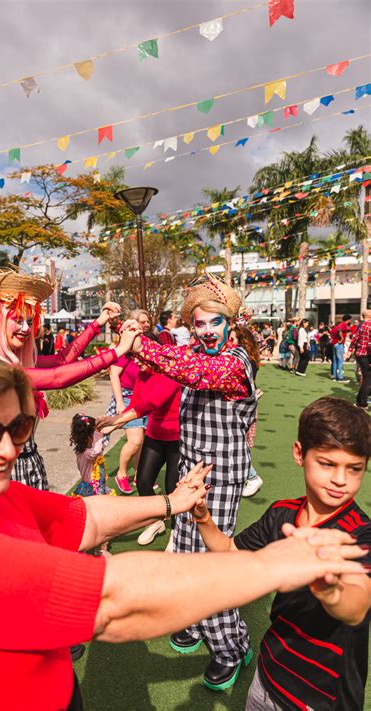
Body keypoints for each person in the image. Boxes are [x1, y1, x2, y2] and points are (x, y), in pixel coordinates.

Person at [0, 352, 367, 711]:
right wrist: (274, 564)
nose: (6, 450)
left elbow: (87, 518)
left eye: (18, 428)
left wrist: (172, 503)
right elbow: (115, 601)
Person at [125, 273, 260, 691]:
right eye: (198, 324)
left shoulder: (235, 362)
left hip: (220, 477)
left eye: (213, 323)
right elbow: (161, 369)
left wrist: (140, 343)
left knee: (210, 566)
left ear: (229, 325)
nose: (205, 331)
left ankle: (232, 646)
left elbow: (194, 370)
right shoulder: (192, 353)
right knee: (185, 553)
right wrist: (123, 330)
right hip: (190, 472)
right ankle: (199, 624)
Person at [191, 396, 370, 711]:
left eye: (354, 468)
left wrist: (329, 589)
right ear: (299, 454)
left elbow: (357, 605)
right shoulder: (281, 514)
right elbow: (230, 551)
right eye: (328, 464)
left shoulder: (360, 532)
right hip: (268, 676)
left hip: (322, 698)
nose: (341, 480)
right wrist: (202, 516)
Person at [0, 265, 133, 490]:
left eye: (29, 321)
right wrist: (116, 352)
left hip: (28, 463)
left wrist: (97, 323)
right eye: (18, 320)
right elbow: (57, 378)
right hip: (1, 471)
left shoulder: (12, 364)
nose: (27, 329)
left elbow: (60, 361)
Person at [97, 366, 181, 547]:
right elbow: (136, 403)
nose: (135, 361)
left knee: (172, 487)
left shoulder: (171, 372)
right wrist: (112, 426)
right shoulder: (142, 375)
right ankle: (155, 521)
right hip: (154, 435)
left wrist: (116, 421)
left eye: (139, 356)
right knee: (143, 481)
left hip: (176, 437)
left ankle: (177, 532)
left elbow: (151, 403)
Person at [104, 309, 153, 495]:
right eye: (142, 321)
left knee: (141, 442)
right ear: (132, 324)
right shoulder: (125, 349)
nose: (146, 324)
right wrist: (119, 402)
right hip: (127, 397)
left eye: (147, 321)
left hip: (144, 398)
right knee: (135, 440)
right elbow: (114, 374)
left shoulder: (146, 346)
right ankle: (122, 474)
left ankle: (140, 475)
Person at [230, 324, 264, 497]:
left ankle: (252, 476)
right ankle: (246, 475)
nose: (229, 343)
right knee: (239, 442)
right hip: (245, 404)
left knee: (237, 443)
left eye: (232, 339)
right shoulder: (249, 357)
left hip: (243, 406)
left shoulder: (243, 360)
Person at [70, 413, 115, 498]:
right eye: (93, 435)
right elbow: (97, 450)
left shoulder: (87, 449)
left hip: (98, 486)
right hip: (92, 488)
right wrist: (99, 432)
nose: (95, 437)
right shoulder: (87, 453)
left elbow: (100, 447)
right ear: (89, 438)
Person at [346, 309, 371, 410]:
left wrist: (349, 350)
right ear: (369, 315)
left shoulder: (361, 326)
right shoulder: (369, 325)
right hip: (367, 355)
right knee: (367, 380)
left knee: (365, 378)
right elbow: (370, 344)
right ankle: (362, 403)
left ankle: (360, 400)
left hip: (360, 354)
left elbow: (355, 339)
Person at [330, 313, 352, 383]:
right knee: (340, 361)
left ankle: (335, 377)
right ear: (348, 320)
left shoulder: (338, 324)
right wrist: (342, 338)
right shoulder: (344, 324)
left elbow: (332, 332)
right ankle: (340, 378)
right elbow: (340, 330)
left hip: (334, 344)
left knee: (335, 361)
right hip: (339, 344)